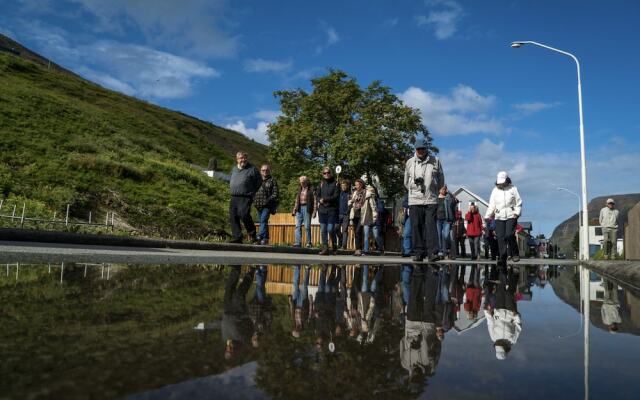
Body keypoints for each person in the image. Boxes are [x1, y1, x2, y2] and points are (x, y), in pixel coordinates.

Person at [400, 265, 444, 382]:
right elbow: (437, 348)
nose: (415, 374)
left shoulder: (405, 363)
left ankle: (418, 271)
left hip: (411, 325)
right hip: (427, 326)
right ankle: (433, 272)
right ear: (420, 377)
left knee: (414, 297)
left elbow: (401, 344)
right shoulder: (428, 364)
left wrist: (408, 338)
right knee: (430, 299)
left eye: (413, 377)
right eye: (417, 377)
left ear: (410, 377)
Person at [404, 139, 445, 262]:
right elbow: (406, 181)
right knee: (416, 226)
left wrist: (433, 189)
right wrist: (413, 189)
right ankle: (418, 252)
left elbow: (441, 179)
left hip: (430, 199)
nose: (420, 151)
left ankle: (432, 253)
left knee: (430, 226)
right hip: (415, 199)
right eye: (418, 149)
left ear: (426, 149)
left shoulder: (435, 161)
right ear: (415, 149)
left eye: (422, 149)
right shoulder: (410, 162)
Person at [484, 268, 522, 360]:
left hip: (499, 310)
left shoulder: (493, 337)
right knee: (509, 293)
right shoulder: (513, 340)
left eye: (498, 346)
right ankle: (514, 273)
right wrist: (516, 316)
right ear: (506, 349)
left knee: (500, 289)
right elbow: (518, 327)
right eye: (502, 346)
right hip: (510, 312)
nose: (500, 344)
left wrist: (488, 313)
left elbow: (490, 323)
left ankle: (502, 269)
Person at [485, 171, 522, 263]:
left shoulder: (513, 189)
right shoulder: (495, 190)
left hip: (511, 215)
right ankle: (502, 257)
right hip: (499, 216)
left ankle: (515, 253)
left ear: (507, 180)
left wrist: (516, 213)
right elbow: (492, 205)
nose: (501, 184)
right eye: (499, 182)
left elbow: (519, 202)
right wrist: (487, 216)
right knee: (500, 237)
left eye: (502, 182)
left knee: (509, 235)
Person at [223, 266, 255, 360]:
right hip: (238, 312)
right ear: (234, 351)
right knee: (240, 293)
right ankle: (251, 272)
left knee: (229, 288)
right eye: (231, 351)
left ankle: (236, 268)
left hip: (227, 309)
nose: (229, 349)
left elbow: (222, 324)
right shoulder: (242, 340)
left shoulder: (225, 339)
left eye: (228, 350)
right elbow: (249, 327)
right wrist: (245, 316)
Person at [228, 152, 261, 244]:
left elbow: (258, 182)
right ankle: (237, 237)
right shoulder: (234, 169)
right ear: (237, 159)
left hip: (246, 196)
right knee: (233, 216)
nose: (243, 160)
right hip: (234, 197)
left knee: (244, 214)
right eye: (241, 158)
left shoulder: (252, 169)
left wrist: (252, 192)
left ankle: (253, 235)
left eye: (244, 158)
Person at [316, 167, 340, 255]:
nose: (326, 174)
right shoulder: (321, 183)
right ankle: (325, 249)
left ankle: (334, 246)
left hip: (332, 210)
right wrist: (319, 200)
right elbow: (317, 195)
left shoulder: (336, 183)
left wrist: (325, 199)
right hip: (322, 210)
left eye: (328, 172)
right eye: (324, 173)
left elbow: (336, 196)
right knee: (323, 230)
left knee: (330, 229)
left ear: (331, 173)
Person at [253, 164, 279, 245]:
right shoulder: (257, 180)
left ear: (269, 171)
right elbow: (253, 191)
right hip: (258, 205)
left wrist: (268, 200)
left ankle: (259, 236)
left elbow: (275, 193)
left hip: (267, 205)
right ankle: (265, 239)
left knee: (263, 220)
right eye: (263, 170)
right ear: (260, 171)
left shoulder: (272, 180)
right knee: (262, 222)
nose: (265, 172)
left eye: (266, 170)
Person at [292, 176, 315, 248]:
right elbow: (297, 200)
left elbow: (315, 201)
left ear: (306, 182)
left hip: (307, 208)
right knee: (297, 226)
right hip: (299, 208)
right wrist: (294, 209)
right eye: (301, 182)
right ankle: (297, 242)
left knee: (307, 226)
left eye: (303, 182)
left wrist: (314, 211)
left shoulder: (311, 190)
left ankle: (308, 242)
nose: (302, 183)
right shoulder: (299, 189)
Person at [289, 265, 311, 338]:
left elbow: (291, 311)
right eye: (296, 330)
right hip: (303, 304)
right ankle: (307, 269)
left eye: (294, 329)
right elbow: (310, 314)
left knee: (295, 284)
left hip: (295, 303)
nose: (295, 328)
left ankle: (297, 268)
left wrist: (290, 302)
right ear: (299, 331)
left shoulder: (293, 322)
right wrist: (311, 302)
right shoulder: (305, 324)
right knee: (304, 285)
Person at [436, 185, 457, 259]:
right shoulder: (435, 198)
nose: (444, 190)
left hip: (446, 219)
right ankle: (441, 251)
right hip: (438, 219)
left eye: (445, 189)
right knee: (439, 236)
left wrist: (449, 192)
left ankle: (448, 250)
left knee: (446, 235)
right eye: (442, 189)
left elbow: (455, 200)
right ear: (439, 190)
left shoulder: (448, 198)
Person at [349, 179, 367, 256]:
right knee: (356, 232)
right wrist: (351, 200)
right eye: (355, 185)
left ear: (361, 185)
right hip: (355, 214)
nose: (356, 186)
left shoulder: (365, 192)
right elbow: (351, 201)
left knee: (358, 231)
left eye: (357, 185)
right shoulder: (355, 193)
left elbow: (367, 202)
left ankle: (359, 249)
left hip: (362, 214)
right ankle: (357, 249)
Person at [360, 185, 379, 256]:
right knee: (368, 234)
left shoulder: (372, 198)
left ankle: (379, 248)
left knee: (372, 235)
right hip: (368, 218)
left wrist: (374, 218)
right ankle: (366, 250)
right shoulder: (366, 197)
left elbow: (374, 208)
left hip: (371, 219)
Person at [337, 180, 352, 249]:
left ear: (347, 186)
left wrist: (348, 212)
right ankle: (340, 241)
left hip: (346, 215)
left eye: (344, 186)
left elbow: (351, 204)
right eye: (342, 186)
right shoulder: (339, 193)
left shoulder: (350, 194)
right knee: (336, 228)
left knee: (344, 230)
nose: (343, 187)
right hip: (338, 214)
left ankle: (344, 245)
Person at [400, 193, 412, 257]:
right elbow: (404, 203)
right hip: (409, 216)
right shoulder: (407, 194)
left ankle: (421, 250)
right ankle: (407, 251)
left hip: (418, 214)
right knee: (406, 233)